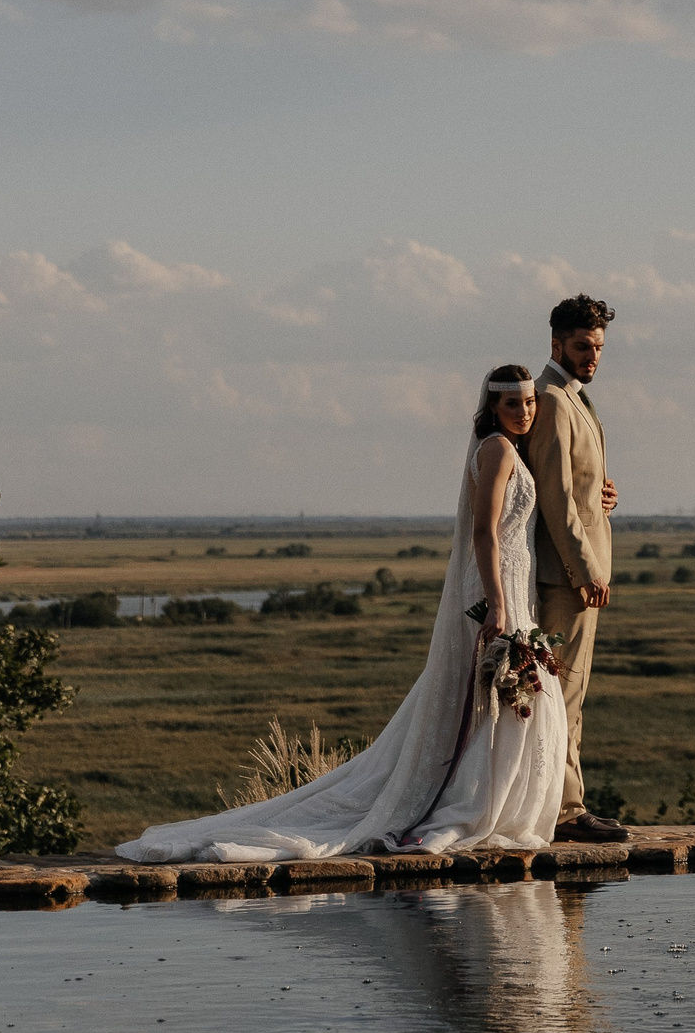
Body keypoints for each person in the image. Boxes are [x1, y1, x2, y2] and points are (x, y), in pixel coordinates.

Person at [113, 365, 567, 862]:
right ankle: (471, 803)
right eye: (512, 404)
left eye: (529, 403)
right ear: (492, 409)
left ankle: (489, 803)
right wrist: (498, 603)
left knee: (505, 695)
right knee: (490, 694)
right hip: (496, 584)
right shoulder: (497, 449)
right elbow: (484, 531)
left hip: (514, 582)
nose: (523, 412)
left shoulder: (512, 451)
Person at [527, 294, 628, 843]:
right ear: (556, 345)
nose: (593, 356)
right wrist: (586, 571)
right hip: (564, 576)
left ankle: (563, 804)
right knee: (564, 691)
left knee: (570, 691)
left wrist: (604, 495)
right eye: (583, 346)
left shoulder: (573, 397)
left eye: (598, 348)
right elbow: (555, 498)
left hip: (576, 571)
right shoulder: (552, 399)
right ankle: (566, 812)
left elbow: (579, 488)